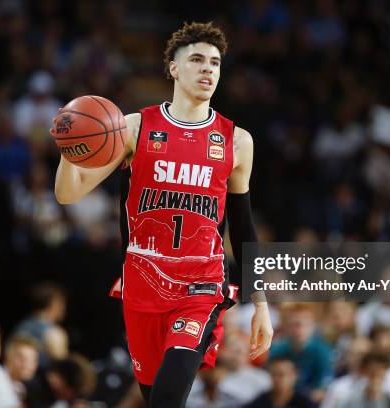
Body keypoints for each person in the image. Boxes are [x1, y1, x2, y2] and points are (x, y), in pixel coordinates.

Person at [53, 21, 273, 408]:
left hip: (201, 285)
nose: (208, 69)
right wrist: (71, 146)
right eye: (198, 60)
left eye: (216, 63)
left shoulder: (237, 140)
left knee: (169, 397)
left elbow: (242, 227)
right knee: (155, 398)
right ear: (173, 67)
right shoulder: (134, 127)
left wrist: (262, 305)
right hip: (143, 282)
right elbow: (68, 193)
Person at [246, 357, 314, 408]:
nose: (276, 378)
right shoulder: (260, 401)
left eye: (281, 374)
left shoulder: (304, 403)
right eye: (274, 374)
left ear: (293, 377)